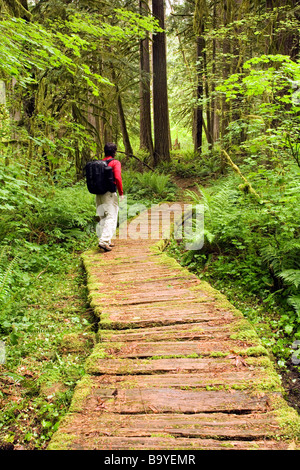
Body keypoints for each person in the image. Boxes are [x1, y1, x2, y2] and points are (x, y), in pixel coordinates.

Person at [96, 143, 124, 252]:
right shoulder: (115, 162)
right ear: (114, 152)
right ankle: (103, 241)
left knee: (103, 217)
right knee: (111, 216)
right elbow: (117, 177)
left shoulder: (99, 163)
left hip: (98, 193)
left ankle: (106, 241)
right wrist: (121, 192)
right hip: (109, 194)